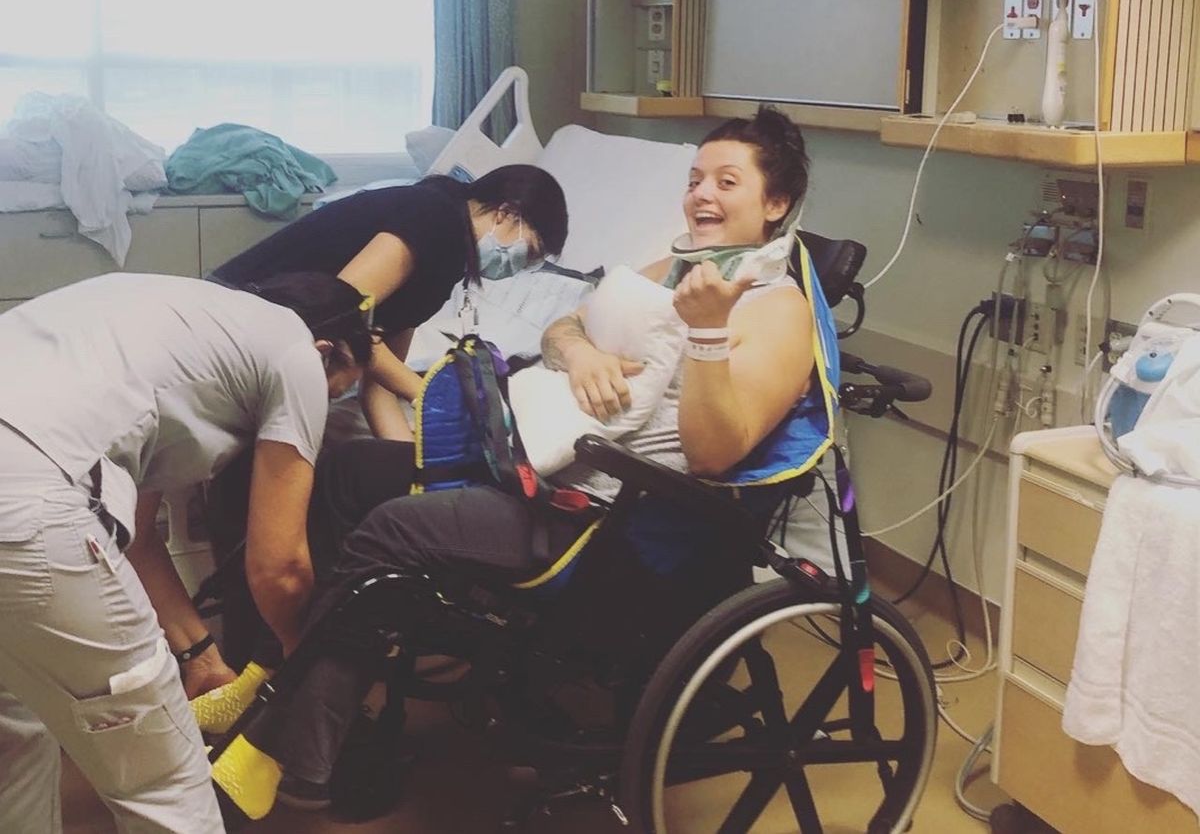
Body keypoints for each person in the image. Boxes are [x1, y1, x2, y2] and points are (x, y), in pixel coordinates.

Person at [212, 106, 841, 818]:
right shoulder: (673, 268)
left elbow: (714, 452)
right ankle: (288, 672)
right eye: (695, 178)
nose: (701, 194)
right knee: (346, 473)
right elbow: (562, 324)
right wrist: (581, 352)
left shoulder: (775, 309)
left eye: (727, 182)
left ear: (775, 204)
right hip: (536, 463)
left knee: (394, 529)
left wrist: (706, 334)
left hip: (602, 518)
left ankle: (296, 757)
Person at [0, 270, 373, 833]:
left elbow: (139, 534)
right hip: (26, 495)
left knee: (14, 729)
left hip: (23, 482)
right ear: (327, 352)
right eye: (335, 392)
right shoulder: (295, 348)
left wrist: (199, 653)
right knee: (164, 782)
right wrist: (304, 656)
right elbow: (278, 567)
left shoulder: (178, 317)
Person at [210, 165, 569, 440]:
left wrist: (409, 462)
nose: (517, 266)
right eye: (529, 251)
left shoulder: (442, 269)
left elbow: (378, 386)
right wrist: (431, 396)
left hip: (261, 333)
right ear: (506, 213)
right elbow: (337, 314)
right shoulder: (433, 216)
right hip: (225, 321)